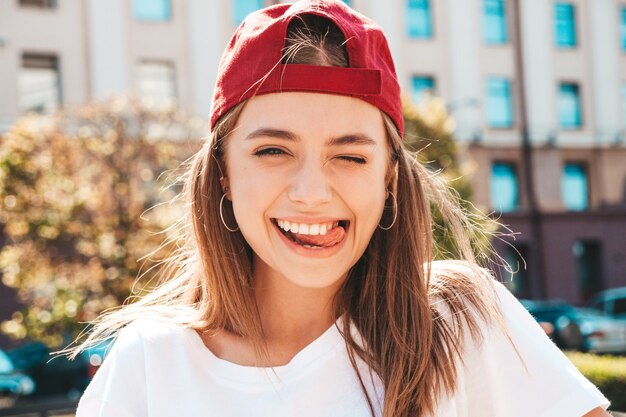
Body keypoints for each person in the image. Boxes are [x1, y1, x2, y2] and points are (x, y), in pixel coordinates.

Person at [71, 1, 611, 416]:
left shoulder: (461, 320)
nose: (312, 191)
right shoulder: (149, 364)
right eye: (273, 151)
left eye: (350, 155)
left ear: (389, 179)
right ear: (224, 176)